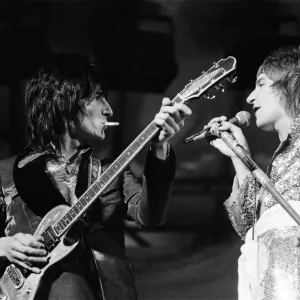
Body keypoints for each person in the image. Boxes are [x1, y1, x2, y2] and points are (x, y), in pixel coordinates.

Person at [0, 53, 192, 300]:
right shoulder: (6, 174)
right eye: (98, 96)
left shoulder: (110, 173)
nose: (109, 109)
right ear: (66, 101)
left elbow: (150, 216)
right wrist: (4, 246)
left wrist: (159, 148)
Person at [206, 45, 300, 299]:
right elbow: (247, 224)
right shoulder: (281, 159)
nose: (249, 98)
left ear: (290, 84)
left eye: (261, 84)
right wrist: (239, 154)